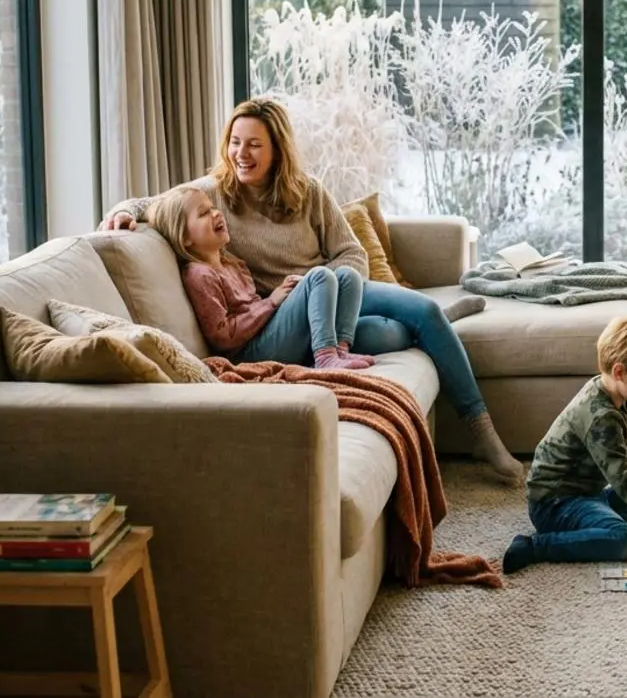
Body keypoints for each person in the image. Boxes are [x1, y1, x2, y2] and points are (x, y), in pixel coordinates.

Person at [100, 98, 522, 485]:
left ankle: (483, 433)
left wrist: (331, 296)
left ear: (277, 149)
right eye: (235, 142)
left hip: (333, 293)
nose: (240, 154)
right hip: (283, 314)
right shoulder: (215, 194)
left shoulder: (308, 191)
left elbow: (350, 254)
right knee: (396, 332)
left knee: (422, 313)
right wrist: (122, 212)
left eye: (254, 145)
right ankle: (425, 328)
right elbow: (156, 203)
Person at [501, 316, 627, 574]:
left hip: (588, 492)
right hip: (555, 503)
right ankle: (534, 546)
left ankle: (598, 522)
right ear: (620, 372)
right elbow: (626, 482)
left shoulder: (610, 388)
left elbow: (623, 474)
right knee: (626, 540)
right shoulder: (602, 417)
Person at [145, 184, 375, 370]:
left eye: (213, 207)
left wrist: (285, 299)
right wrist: (272, 302)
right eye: (204, 213)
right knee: (319, 277)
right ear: (184, 237)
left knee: (347, 275)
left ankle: (339, 350)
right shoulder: (199, 274)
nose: (216, 213)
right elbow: (223, 335)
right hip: (250, 353)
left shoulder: (232, 264)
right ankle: (325, 358)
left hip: (267, 334)